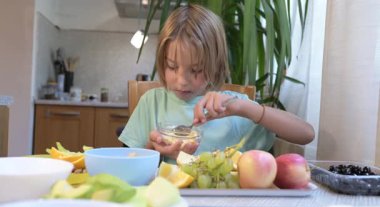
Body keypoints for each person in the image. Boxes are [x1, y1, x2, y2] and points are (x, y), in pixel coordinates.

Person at [119, 4, 314, 163]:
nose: (182, 80)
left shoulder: (235, 108)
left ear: (216, 64)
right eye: (172, 67)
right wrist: (153, 150)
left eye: (196, 70)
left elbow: (306, 134)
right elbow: (127, 163)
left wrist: (244, 108)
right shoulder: (152, 103)